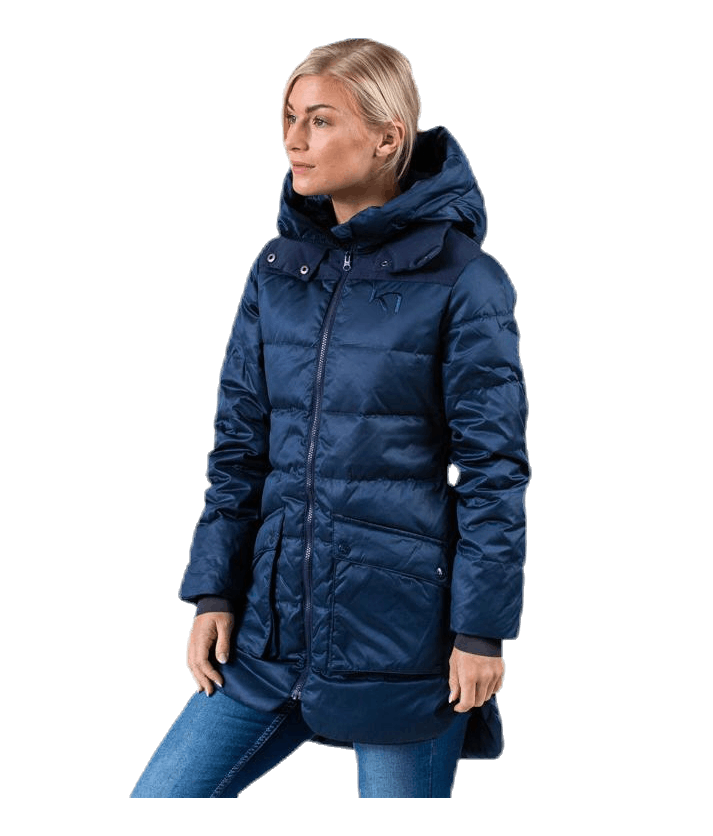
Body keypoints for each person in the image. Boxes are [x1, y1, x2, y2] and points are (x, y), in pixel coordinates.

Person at [130, 37, 530, 799]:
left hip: (403, 643)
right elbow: (239, 447)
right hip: (271, 632)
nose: (294, 139)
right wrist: (214, 592)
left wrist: (480, 631)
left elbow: (493, 470)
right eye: (288, 118)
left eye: (319, 120)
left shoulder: (464, 280)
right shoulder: (276, 272)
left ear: (386, 137)